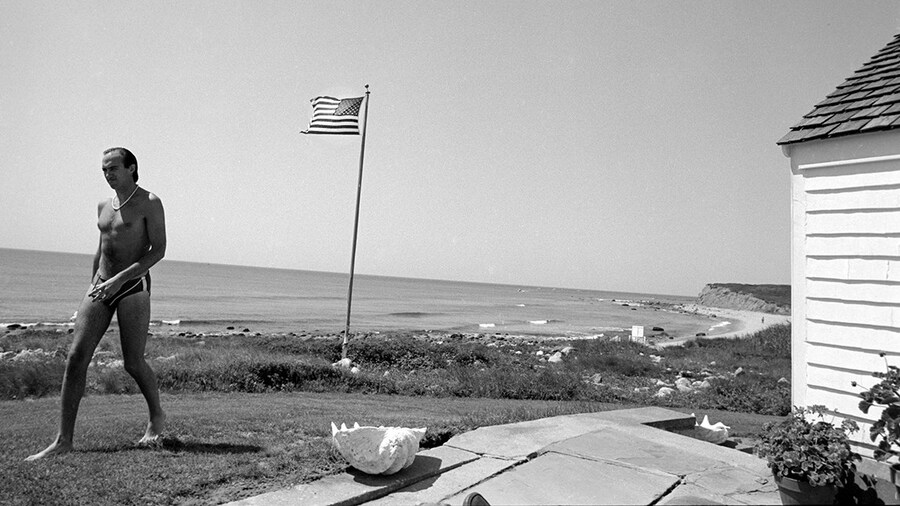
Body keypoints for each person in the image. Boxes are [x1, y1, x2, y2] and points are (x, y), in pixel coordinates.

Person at [27, 147, 167, 460]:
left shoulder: (150, 202)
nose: (108, 174)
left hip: (132, 286)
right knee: (76, 356)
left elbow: (157, 250)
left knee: (133, 361)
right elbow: (101, 248)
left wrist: (118, 280)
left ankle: (156, 417)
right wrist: (92, 285)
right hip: (100, 286)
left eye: (114, 168)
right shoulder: (104, 205)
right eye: (104, 169)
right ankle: (63, 440)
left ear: (131, 168)